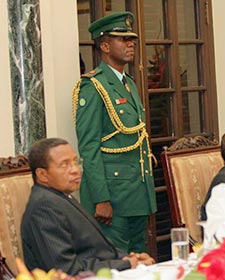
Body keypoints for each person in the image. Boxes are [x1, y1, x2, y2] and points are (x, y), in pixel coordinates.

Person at [72, 12, 156, 253]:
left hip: (136, 194)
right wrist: (101, 199)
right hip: (113, 199)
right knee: (116, 265)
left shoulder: (128, 83)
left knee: (139, 261)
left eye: (132, 39)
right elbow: (89, 147)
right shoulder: (93, 86)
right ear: (105, 46)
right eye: (123, 39)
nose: (131, 44)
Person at [21, 138, 155, 275]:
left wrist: (128, 258)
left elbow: (95, 248)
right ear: (42, 175)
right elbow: (65, 269)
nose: (75, 170)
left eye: (75, 162)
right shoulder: (44, 206)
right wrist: (125, 264)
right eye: (64, 165)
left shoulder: (60, 197)